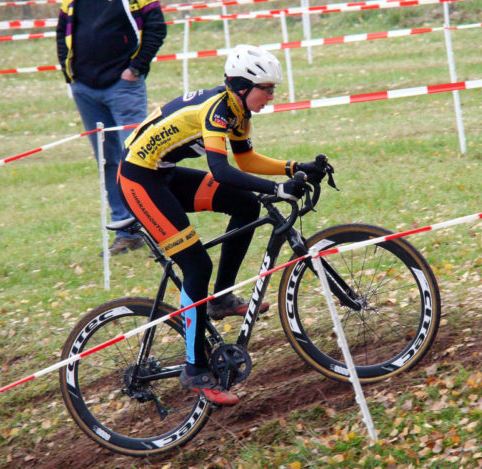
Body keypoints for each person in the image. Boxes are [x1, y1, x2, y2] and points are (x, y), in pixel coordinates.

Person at [117, 45, 328, 405]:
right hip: (139, 180)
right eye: (268, 89)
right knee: (196, 264)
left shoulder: (237, 109)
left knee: (245, 206)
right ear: (244, 86)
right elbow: (221, 170)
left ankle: (221, 299)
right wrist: (279, 189)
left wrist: (294, 168)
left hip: (163, 174)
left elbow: (245, 160)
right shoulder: (217, 110)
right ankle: (194, 369)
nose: (272, 96)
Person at [56, 0, 166, 255]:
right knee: (108, 160)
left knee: (141, 158)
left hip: (124, 86)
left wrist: (136, 68)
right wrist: (69, 73)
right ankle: (126, 233)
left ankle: (161, 229)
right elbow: (62, 32)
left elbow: (157, 27)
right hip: (84, 88)